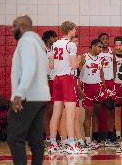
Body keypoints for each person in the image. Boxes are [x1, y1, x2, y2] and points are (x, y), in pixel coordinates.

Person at [7, 15, 51, 165]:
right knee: (35, 139)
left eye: (14, 25)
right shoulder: (38, 44)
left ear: (23, 26)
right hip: (41, 96)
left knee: (14, 137)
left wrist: (19, 93)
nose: (11, 29)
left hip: (29, 96)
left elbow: (29, 68)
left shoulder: (26, 41)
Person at [48, 21, 87, 154]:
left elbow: (51, 65)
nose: (75, 32)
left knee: (56, 113)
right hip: (68, 79)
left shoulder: (54, 44)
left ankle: (53, 143)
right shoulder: (71, 45)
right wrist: (80, 59)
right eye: (74, 29)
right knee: (70, 113)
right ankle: (71, 144)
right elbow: (73, 65)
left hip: (57, 79)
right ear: (70, 30)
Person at [79, 39, 107, 149]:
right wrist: (79, 88)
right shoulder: (84, 57)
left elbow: (101, 75)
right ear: (93, 46)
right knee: (88, 115)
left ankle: (95, 138)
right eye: (99, 47)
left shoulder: (100, 58)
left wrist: (104, 89)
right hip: (87, 87)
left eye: (102, 47)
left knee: (97, 113)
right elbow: (78, 74)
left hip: (98, 87)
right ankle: (87, 140)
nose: (101, 49)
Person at [98, 33, 118, 146]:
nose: (105, 41)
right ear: (99, 41)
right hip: (100, 82)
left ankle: (111, 134)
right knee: (100, 109)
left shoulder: (112, 51)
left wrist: (114, 76)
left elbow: (114, 63)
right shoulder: (98, 52)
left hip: (110, 82)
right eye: (103, 39)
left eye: (107, 38)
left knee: (111, 108)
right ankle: (99, 135)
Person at [42, 30, 57, 147]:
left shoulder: (55, 49)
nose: (56, 39)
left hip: (54, 80)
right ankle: (47, 136)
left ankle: (52, 136)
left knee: (53, 110)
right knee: (46, 111)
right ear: (48, 38)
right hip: (44, 81)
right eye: (54, 37)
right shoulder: (40, 49)